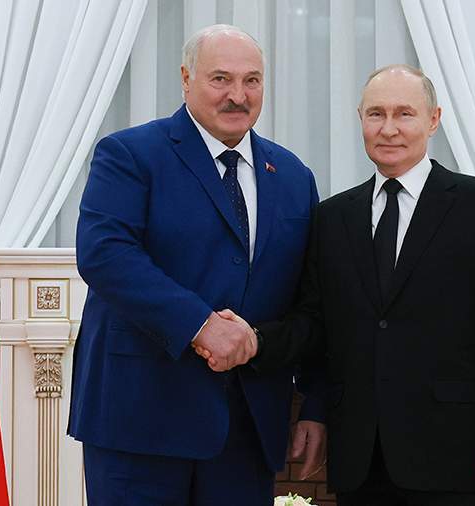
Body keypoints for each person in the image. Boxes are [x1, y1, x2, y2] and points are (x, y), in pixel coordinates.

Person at [199, 64, 475, 506]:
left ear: (433, 119)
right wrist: (256, 341)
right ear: (361, 119)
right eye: (376, 114)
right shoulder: (334, 216)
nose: (389, 129)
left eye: (404, 114)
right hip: (360, 457)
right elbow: (316, 325)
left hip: (454, 453)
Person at [68, 24, 326, 505]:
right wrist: (200, 325)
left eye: (252, 81)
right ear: (186, 79)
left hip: (247, 430)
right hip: (139, 421)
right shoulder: (129, 154)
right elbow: (106, 255)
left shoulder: (294, 176)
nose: (238, 96)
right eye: (221, 79)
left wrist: (315, 401)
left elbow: (312, 299)